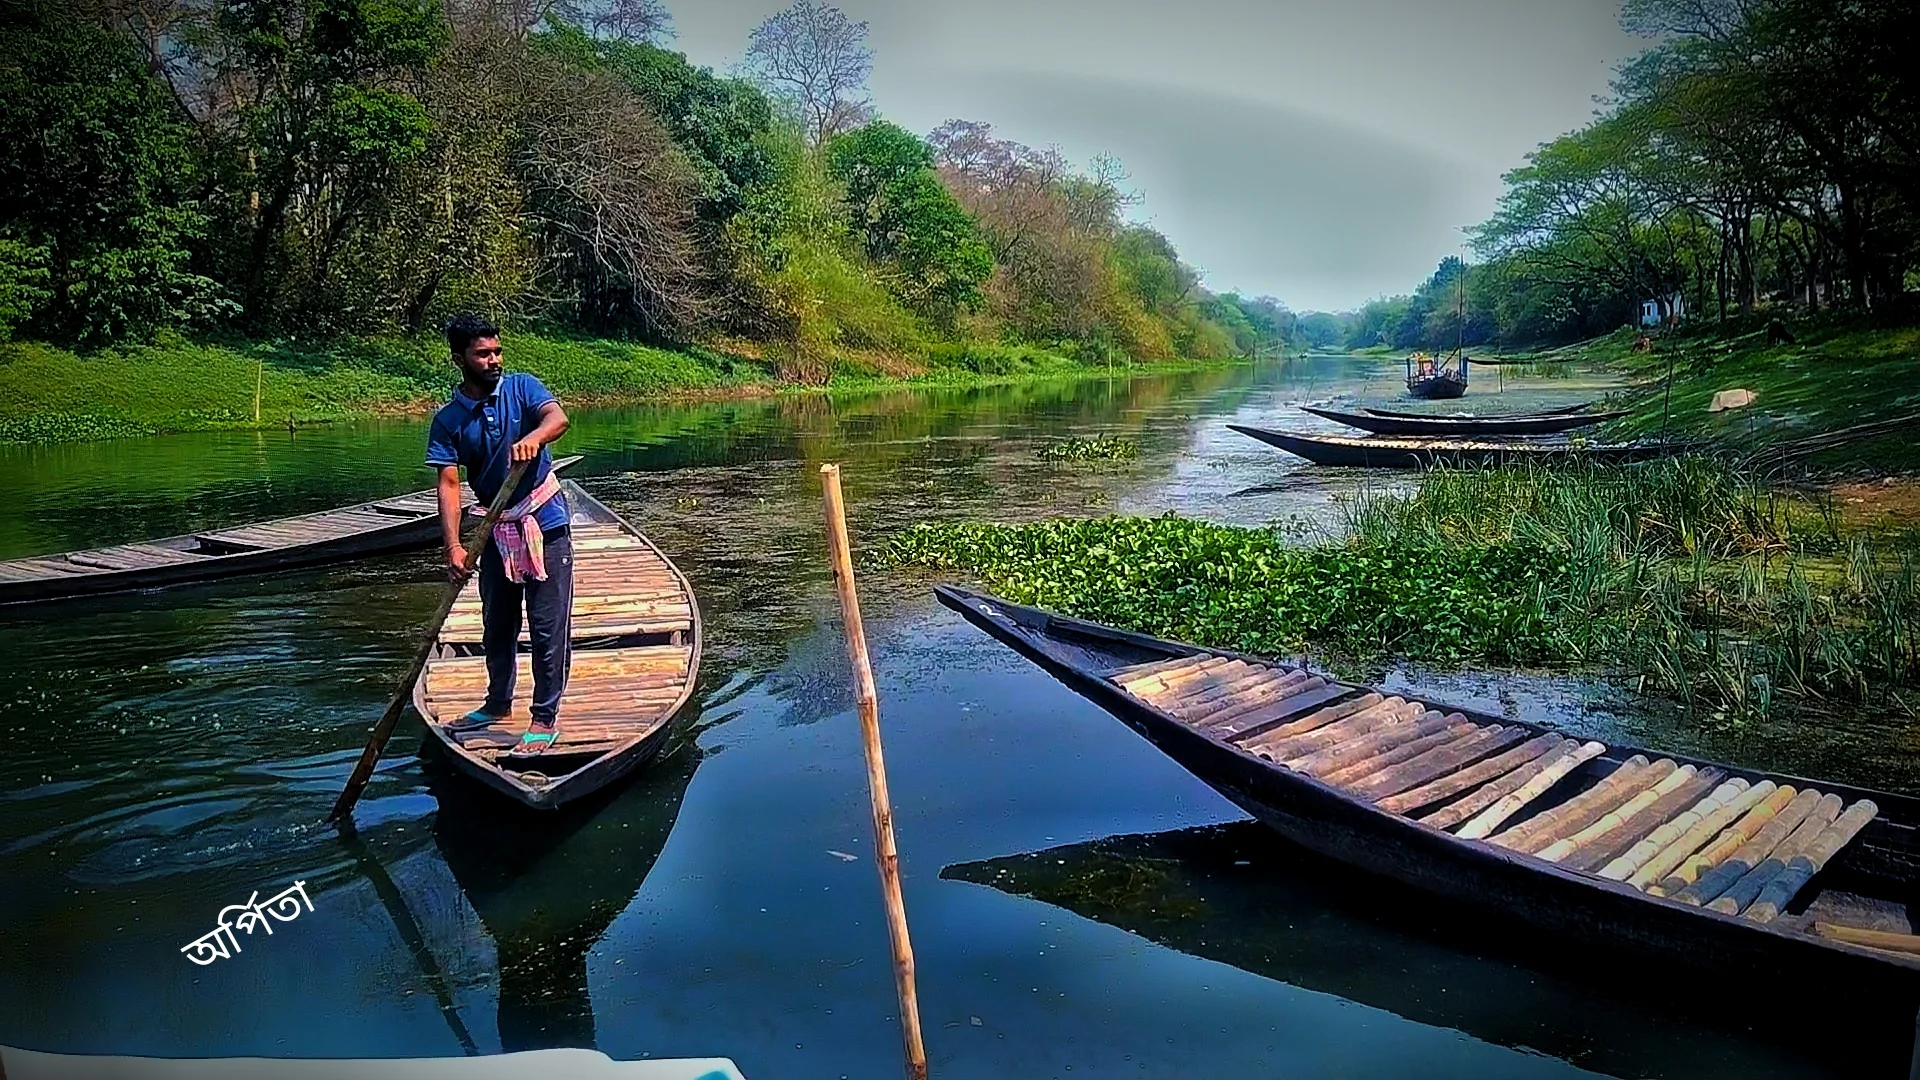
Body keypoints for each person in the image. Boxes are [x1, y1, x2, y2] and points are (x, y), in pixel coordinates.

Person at [426, 314, 574, 755]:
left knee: (548, 628)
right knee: (497, 625)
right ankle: (497, 703)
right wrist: (453, 545)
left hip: (544, 523)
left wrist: (535, 438)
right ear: (459, 359)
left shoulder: (522, 388)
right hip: (494, 529)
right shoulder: (449, 421)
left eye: (496, 351)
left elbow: (558, 419)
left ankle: (544, 717)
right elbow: (449, 485)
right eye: (482, 354)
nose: (493, 360)